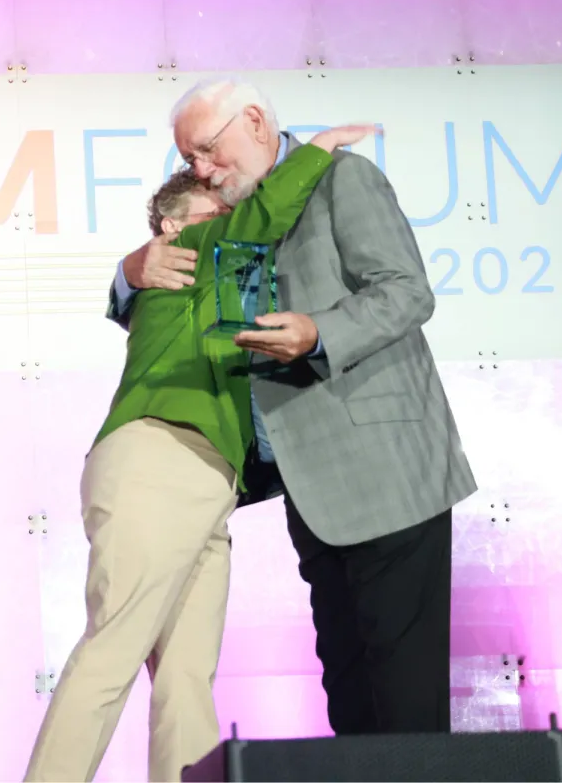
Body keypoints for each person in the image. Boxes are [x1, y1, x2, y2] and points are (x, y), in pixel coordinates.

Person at [106, 79, 477, 739]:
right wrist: (130, 269)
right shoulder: (223, 215)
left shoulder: (342, 181)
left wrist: (320, 332)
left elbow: (405, 292)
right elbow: (150, 306)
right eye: (191, 160)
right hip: (310, 486)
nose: (201, 170)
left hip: (388, 469)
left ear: (253, 120)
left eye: (207, 151)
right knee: (349, 694)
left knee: (404, 700)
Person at [25, 124, 380, 783]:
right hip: (160, 460)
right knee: (116, 648)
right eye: (214, 211)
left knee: (186, 680)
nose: (226, 220)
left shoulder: (217, 287)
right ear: (168, 225)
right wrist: (319, 147)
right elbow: (259, 215)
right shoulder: (184, 254)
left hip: (205, 483)